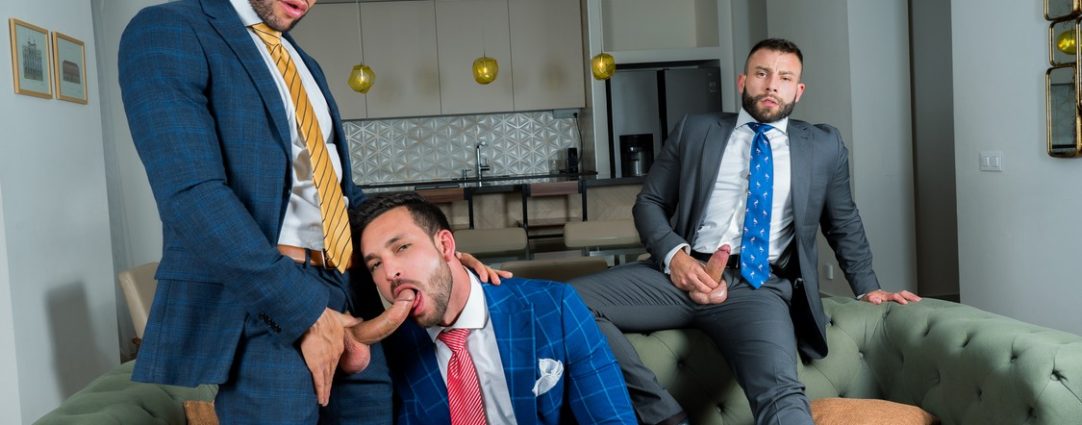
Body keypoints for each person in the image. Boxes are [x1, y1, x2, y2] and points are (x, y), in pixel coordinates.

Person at [118, 1, 502, 423]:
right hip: (263, 300)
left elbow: (341, 195)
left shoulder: (302, 60)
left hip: (348, 289)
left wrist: (431, 254)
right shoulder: (168, 29)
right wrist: (303, 311)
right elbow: (192, 196)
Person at [569, 38, 922, 425]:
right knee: (566, 302)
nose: (772, 85)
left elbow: (843, 222)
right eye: (762, 73)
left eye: (785, 77)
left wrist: (867, 287)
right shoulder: (695, 130)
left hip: (757, 286)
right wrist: (676, 258)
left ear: (798, 90)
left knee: (781, 395)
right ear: (743, 81)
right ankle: (664, 416)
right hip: (680, 276)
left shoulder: (824, 146)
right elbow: (649, 203)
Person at [350, 192, 637, 424]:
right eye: (375, 264)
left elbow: (611, 419)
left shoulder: (555, 307)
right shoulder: (390, 350)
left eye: (402, 248)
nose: (390, 273)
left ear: (445, 246)